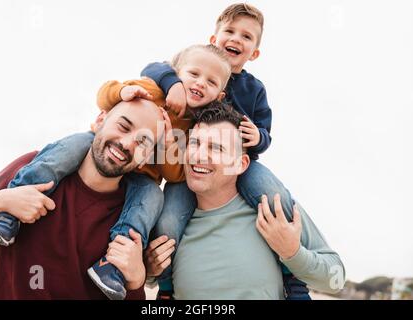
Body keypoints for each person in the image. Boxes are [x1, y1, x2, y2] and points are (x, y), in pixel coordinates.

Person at [0, 44, 232, 299]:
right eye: (193, 74)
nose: (200, 84)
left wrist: (135, 278)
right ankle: (7, 217)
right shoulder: (150, 89)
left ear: (220, 95)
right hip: (82, 149)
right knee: (70, 147)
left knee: (153, 197)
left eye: (211, 82)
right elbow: (105, 94)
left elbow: (177, 174)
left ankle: (112, 266)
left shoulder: (193, 127)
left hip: (141, 178)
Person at [142, 3, 311, 299]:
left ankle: (292, 276)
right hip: (187, 166)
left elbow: (265, 133)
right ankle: (166, 287)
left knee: (275, 196)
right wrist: (173, 84)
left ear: (254, 53)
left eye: (246, 36)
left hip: (237, 165)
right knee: (168, 220)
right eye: (230, 31)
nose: (236, 39)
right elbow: (153, 68)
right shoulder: (199, 66)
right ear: (213, 38)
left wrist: (257, 136)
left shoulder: (254, 89)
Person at [0, 98, 165, 299]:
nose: (127, 143)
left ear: (146, 159)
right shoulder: (33, 168)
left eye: (143, 142)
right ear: (100, 120)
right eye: (123, 126)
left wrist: (135, 281)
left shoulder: (137, 219)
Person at [145, 104, 346, 299]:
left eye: (216, 148)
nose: (199, 155)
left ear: (241, 164)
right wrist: (149, 268)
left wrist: (292, 252)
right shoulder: (169, 224)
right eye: (195, 143)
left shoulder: (271, 211)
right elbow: (145, 279)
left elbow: (336, 280)